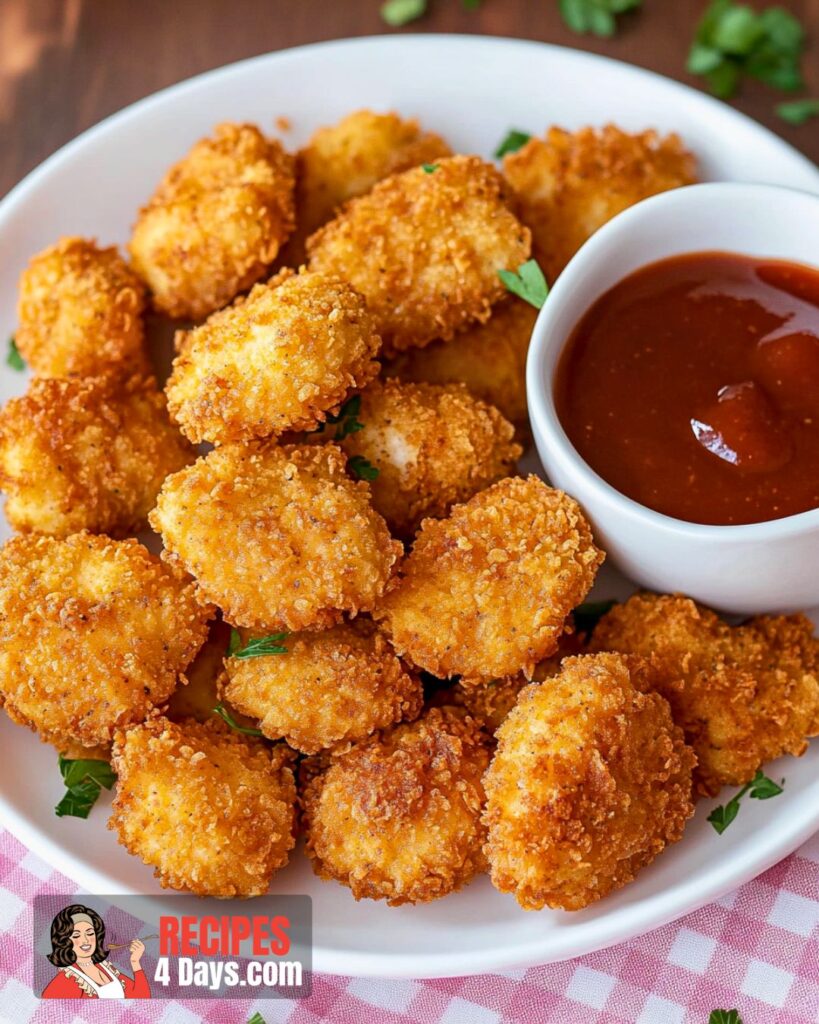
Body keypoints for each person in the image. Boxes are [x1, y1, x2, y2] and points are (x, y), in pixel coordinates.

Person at [41, 903, 150, 999]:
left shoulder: (105, 968)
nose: (86, 940)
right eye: (76, 935)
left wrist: (135, 962)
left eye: (90, 933)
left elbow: (141, 999)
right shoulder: (66, 980)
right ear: (64, 941)